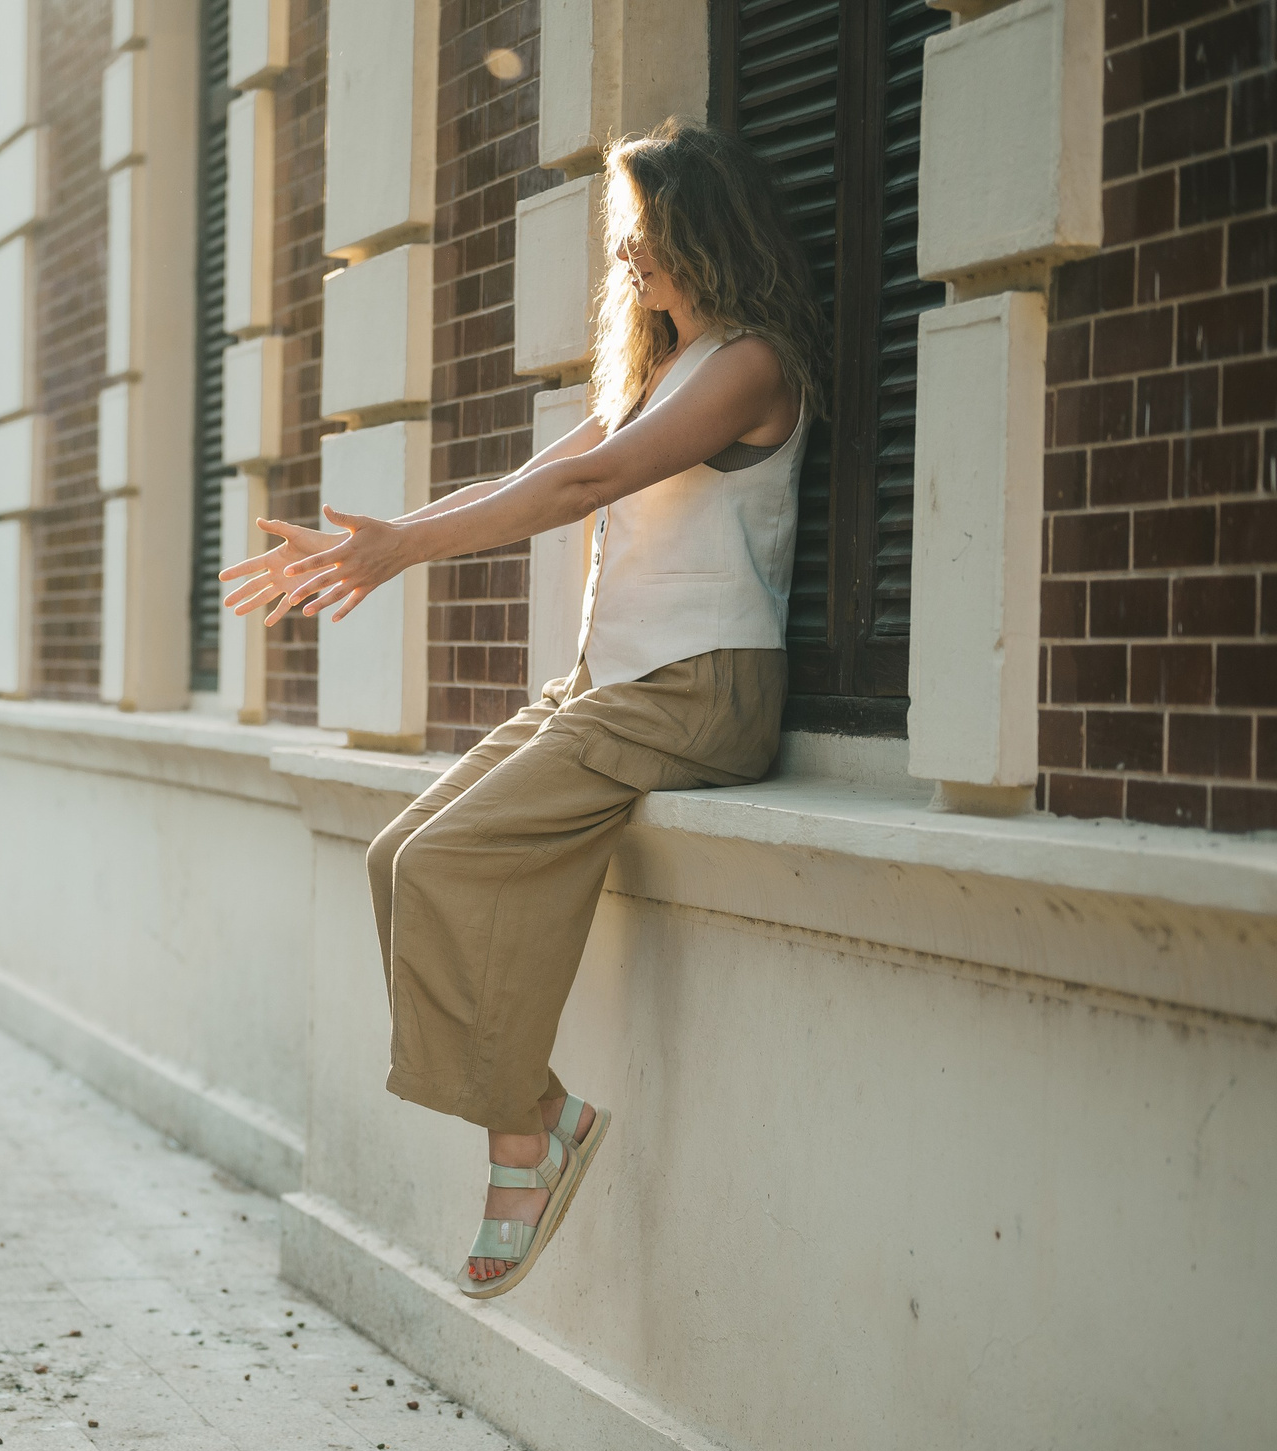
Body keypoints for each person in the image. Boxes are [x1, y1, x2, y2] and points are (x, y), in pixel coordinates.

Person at [221, 119, 826, 1300]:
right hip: (621, 685)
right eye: (623, 244)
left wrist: (400, 550)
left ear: (705, 233)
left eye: (644, 238)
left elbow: (587, 485)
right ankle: (532, 1115)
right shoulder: (666, 371)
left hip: (702, 687)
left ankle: (527, 1130)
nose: (628, 263)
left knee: (447, 860)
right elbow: (525, 480)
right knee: (398, 854)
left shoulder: (754, 363)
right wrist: (381, 538)